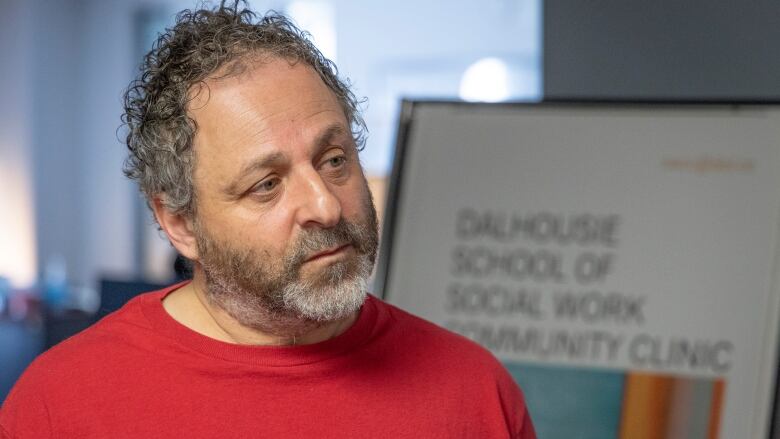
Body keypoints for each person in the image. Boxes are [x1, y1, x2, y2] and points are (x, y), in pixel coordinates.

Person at [0, 2, 536, 438]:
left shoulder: (476, 391)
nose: (325, 206)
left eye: (333, 160)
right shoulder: (61, 405)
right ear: (181, 224)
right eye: (267, 185)